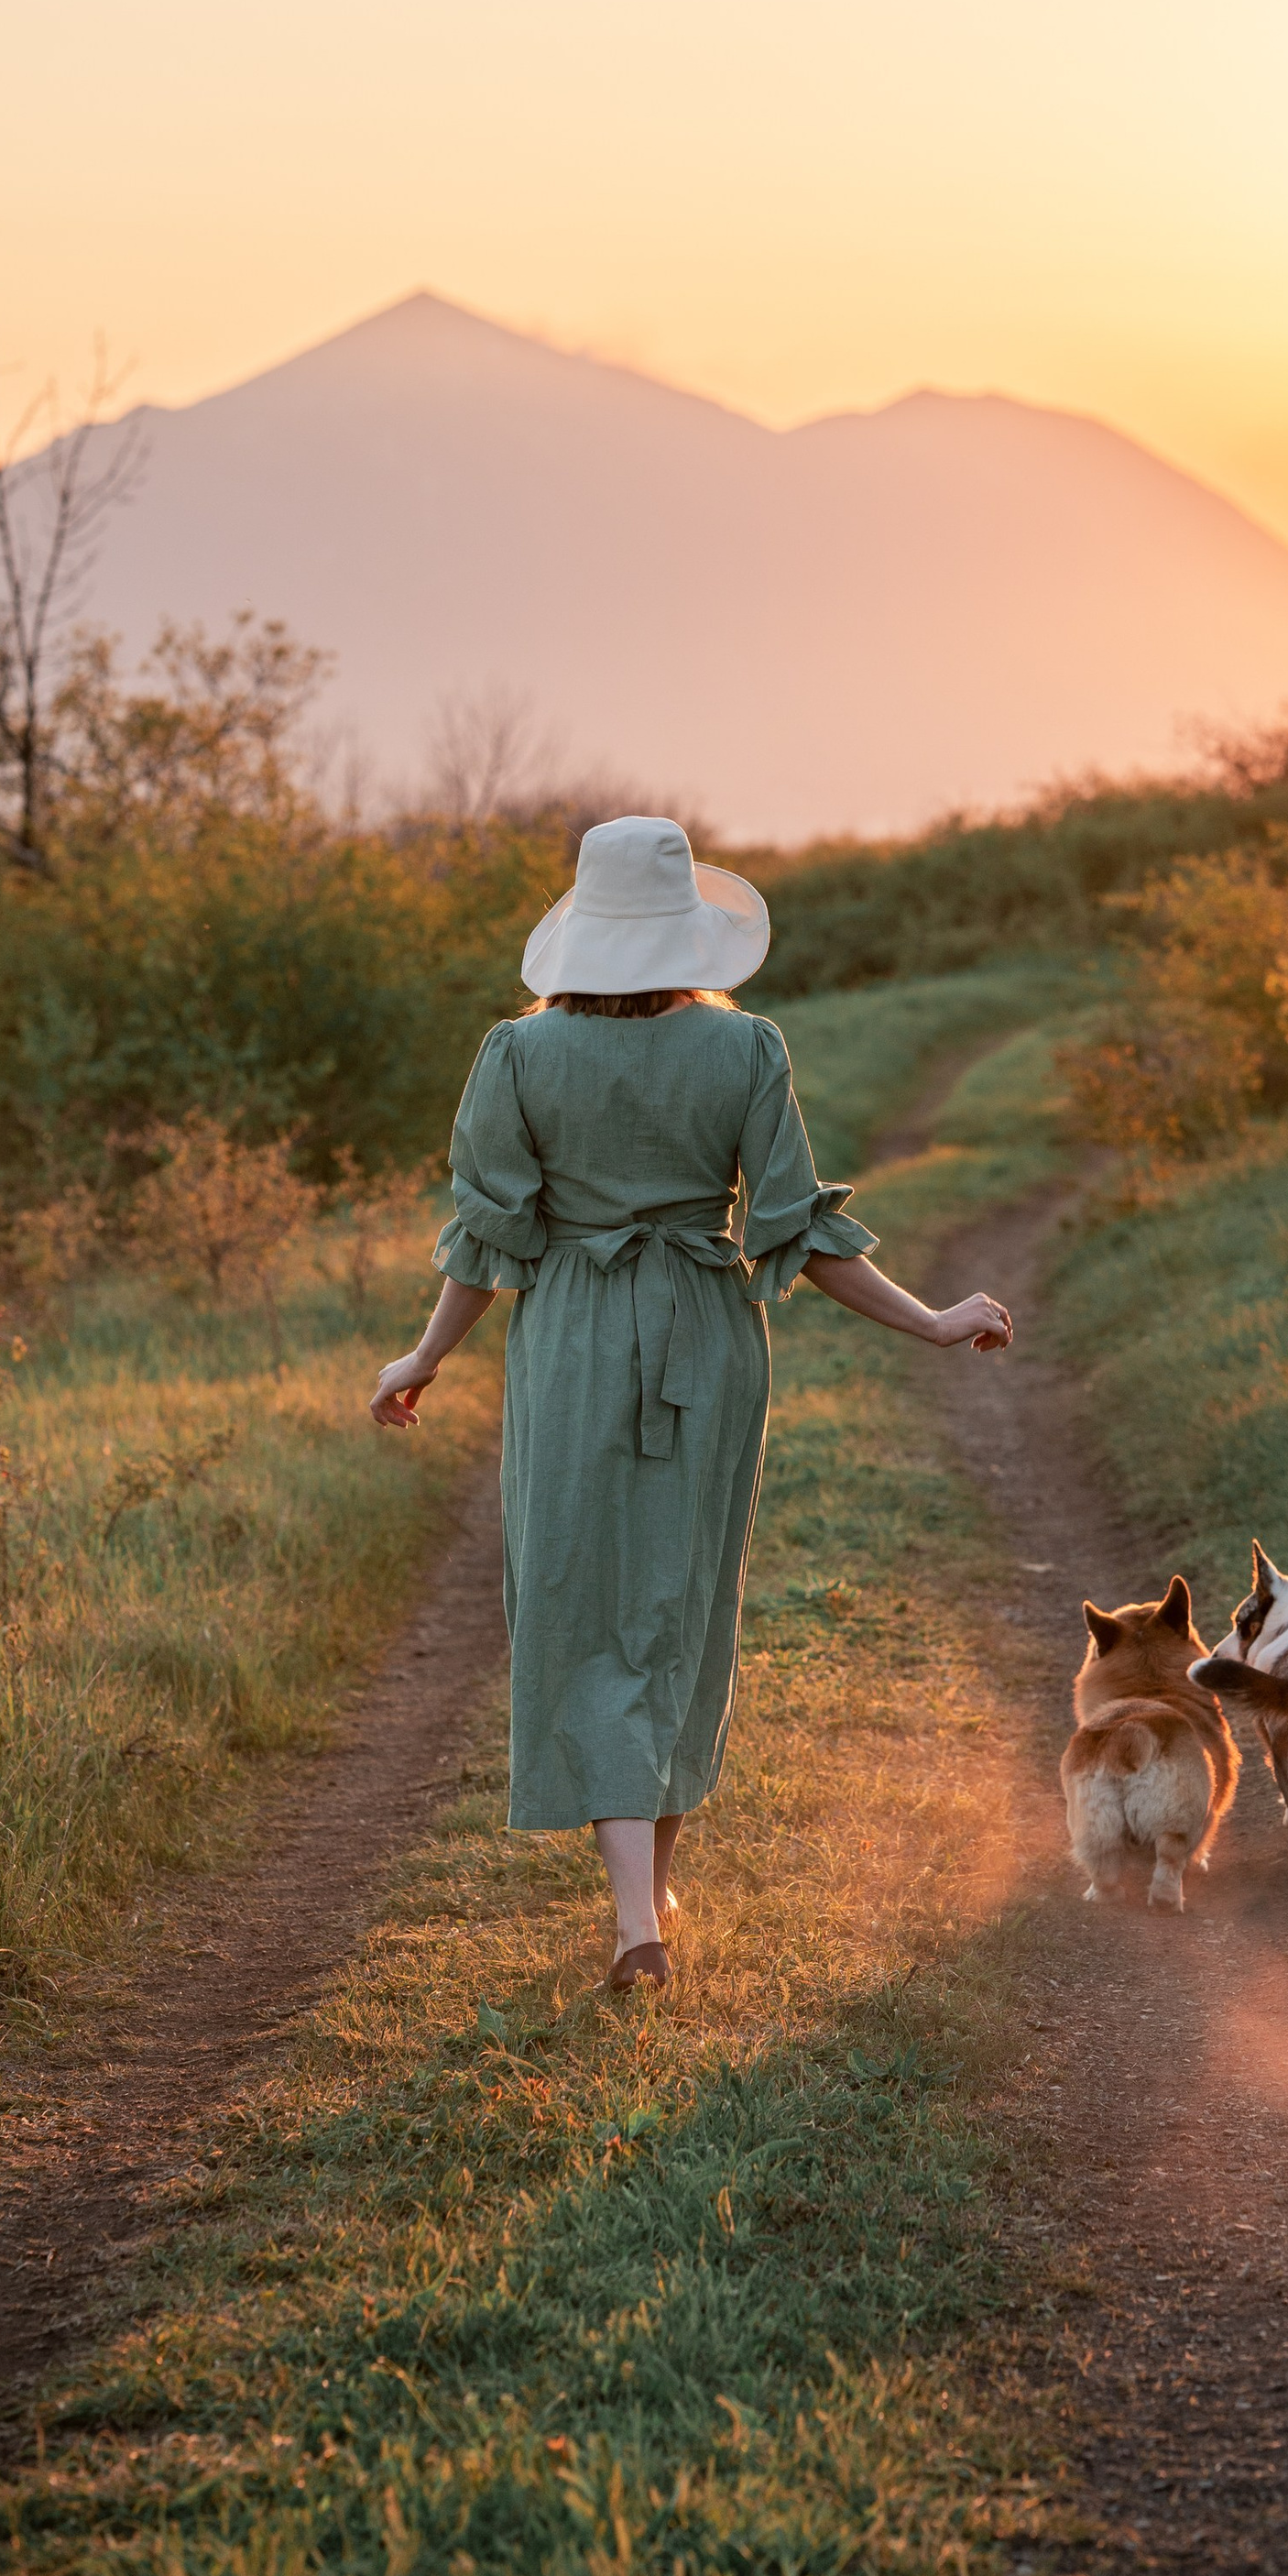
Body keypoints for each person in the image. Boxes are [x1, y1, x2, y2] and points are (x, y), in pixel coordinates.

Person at [369, 814, 1011, 1990]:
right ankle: (650, 1899)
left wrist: (423, 1358)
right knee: (679, 1602)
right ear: (686, 930)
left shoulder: (516, 1054)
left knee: (578, 1607)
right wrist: (929, 1319)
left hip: (571, 1341)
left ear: (581, 932)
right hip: (708, 1338)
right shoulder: (745, 1049)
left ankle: (638, 1919)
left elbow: (488, 1240)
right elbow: (795, 1232)